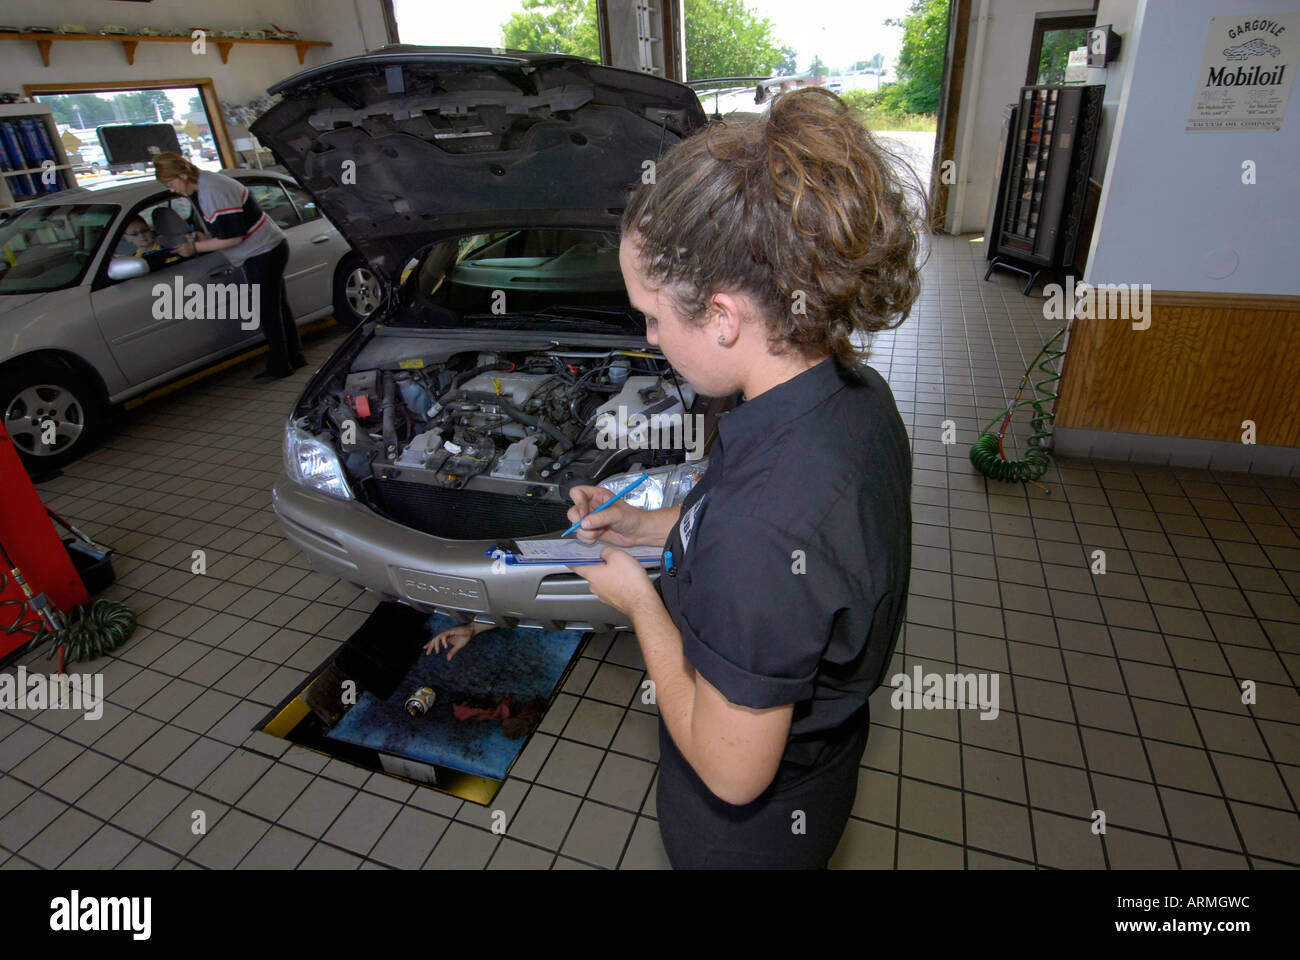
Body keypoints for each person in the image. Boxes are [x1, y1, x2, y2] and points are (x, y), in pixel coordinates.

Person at [564, 88, 922, 868]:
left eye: (654, 317)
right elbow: (781, 549)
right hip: (818, 773)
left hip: (743, 837)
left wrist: (637, 601)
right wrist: (648, 527)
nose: (650, 339)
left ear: (724, 316)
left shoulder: (767, 528)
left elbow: (731, 773)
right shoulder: (846, 399)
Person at [152, 152, 305, 382]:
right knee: (277, 308)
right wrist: (205, 236)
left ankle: (280, 366)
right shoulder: (206, 186)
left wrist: (194, 248)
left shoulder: (213, 190)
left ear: (183, 175)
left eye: (171, 183)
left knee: (268, 313)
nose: (172, 190)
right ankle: (294, 357)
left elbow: (235, 237)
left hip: (262, 252)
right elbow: (227, 228)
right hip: (265, 249)